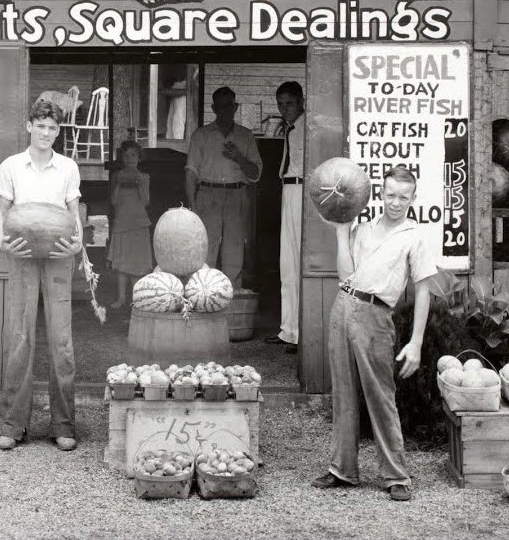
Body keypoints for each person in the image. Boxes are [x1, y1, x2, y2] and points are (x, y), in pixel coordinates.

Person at [314, 165, 436, 502]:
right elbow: (346, 276)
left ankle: (395, 475)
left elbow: (424, 291)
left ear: (413, 199)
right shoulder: (363, 230)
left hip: (377, 316)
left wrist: (416, 343)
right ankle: (342, 470)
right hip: (343, 306)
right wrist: (342, 232)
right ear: (381, 194)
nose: (396, 202)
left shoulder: (415, 236)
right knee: (343, 392)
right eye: (391, 194)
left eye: (403, 197)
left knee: (381, 396)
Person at [0, 100, 84, 453]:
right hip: (23, 257)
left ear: (58, 131)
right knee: (20, 339)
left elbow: (74, 217)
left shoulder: (68, 168)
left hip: (59, 258)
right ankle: (13, 424)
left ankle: (63, 424)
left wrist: (75, 247)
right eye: (41, 125)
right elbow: (4, 219)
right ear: (29, 125)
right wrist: (7, 246)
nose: (46, 133)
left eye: (52, 128)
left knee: (62, 342)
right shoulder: (11, 167)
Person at [184, 86, 261, 289]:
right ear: (213, 107)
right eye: (221, 106)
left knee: (234, 249)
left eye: (230, 105)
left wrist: (239, 157)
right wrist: (192, 205)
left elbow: (255, 174)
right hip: (208, 194)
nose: (225, 110)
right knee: (205, 248)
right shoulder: (200, 135)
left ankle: (232, 295)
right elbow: (191, 171)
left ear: (236, 107)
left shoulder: (246, 136)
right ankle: (202, 293)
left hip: (237, 194)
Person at [265, 81, 305, 355]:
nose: (284, 108)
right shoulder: (289, 129)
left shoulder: (309, 126)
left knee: (301, 261)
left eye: (289, 103)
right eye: (280, 104)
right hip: (288, 189)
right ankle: (288, 329)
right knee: (287, 263)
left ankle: (303, 332)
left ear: (301, 100)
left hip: (303, 189)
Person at [107, 140, 153, 309]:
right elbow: (113, 201)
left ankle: (136, 298)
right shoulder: (116, 176)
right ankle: (121, 298)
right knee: (121, 265)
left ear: (139, 158)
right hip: (122, 224)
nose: (129, 159)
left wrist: (140, 182)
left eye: (133, 155)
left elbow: (146, 201)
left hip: (139, 224)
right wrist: (119, 182)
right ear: (121, 158)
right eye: (126, 156)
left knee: (137, 265)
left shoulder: (145, 177)